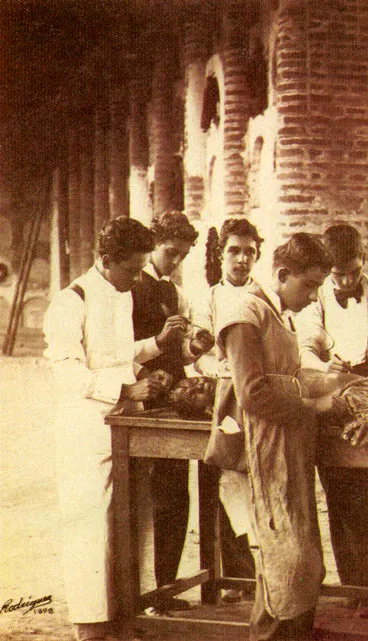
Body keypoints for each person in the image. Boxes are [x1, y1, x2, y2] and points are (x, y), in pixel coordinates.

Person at [218, 232, 368, 641]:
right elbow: (252, 393)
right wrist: (315, 406)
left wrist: (341, 382)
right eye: (310, 285)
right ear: (283, 274)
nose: (314, 296)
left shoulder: (278, 314)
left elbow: (292, 375)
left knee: (301, 562)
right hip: (260, 449)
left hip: (289, 447)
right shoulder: (244, 313)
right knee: (284, 560)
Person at [43, 216, 163, 641]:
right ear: (106, 259)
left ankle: (123, 614)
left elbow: (115, 354)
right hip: (83, 427)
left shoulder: (121, 292)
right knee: (88, 526)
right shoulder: (70, 300)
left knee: (126, 522)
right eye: (131, 269)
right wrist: (127, 386)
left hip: (120, 423)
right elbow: (68, 370)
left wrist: (154, 347)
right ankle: (90, 624)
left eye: (141, 268)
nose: (137, 278)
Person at [295, 224, 368, 615]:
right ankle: (352, 585)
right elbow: (306, 343)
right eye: (340, 275)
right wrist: (325, 363)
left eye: (354, 272)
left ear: (363, 262)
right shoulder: (316, 296)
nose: (348, 280)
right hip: (329, 398)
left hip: (366, 395)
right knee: (338, 496)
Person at [130, 211, 214, 611]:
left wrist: (194, 348)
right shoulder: (129, 286)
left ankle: (166, 589)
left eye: (182, 255)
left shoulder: (172, 291)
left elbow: (179, 352)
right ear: (152, 245)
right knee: (145, 498)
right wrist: (159, 341)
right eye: (169, 252)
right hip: (138, 394)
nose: (175, 261)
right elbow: (122, 346)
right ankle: (140, 593)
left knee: (175, 494)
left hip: (172, 398)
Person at [193, 218, 267, 602]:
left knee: (255, 483)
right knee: (222, 482)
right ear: (221, 254)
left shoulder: (264, 297)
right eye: (234, 251)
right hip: (222, 398)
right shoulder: (208, 299)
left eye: (249, 252)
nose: (241, 260)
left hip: (254, 398)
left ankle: (261, 574)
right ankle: (229, 578)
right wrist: (215, 367)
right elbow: (201, 353)